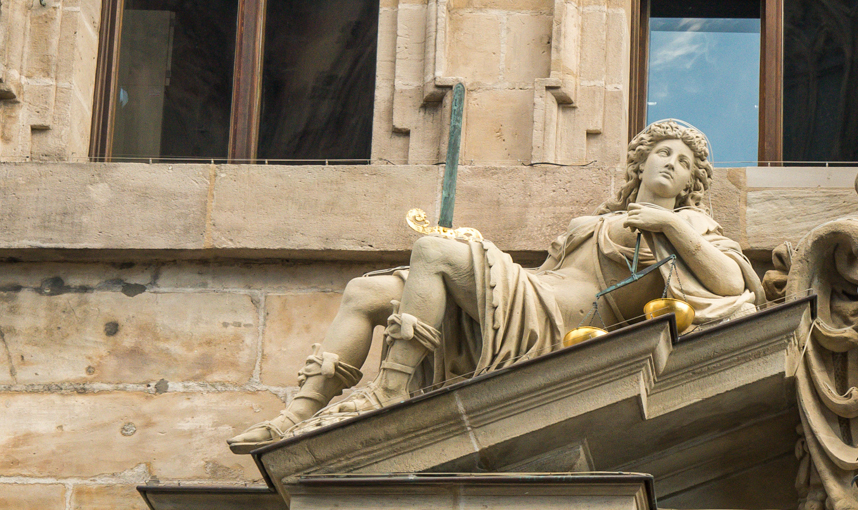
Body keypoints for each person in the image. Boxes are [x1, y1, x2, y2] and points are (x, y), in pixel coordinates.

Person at [229, 119, 761, 452]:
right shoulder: (593, 222)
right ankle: (294, 416)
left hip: (555, 323)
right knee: (364, 293)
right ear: (641, 162)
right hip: (531, 293)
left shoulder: (688, 225)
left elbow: (732, 280)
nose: (671, 163)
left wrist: (668, 226)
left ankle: (387, 391)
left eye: (684, 162)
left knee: (435, 250)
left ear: (693, 183)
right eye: (663, 153)